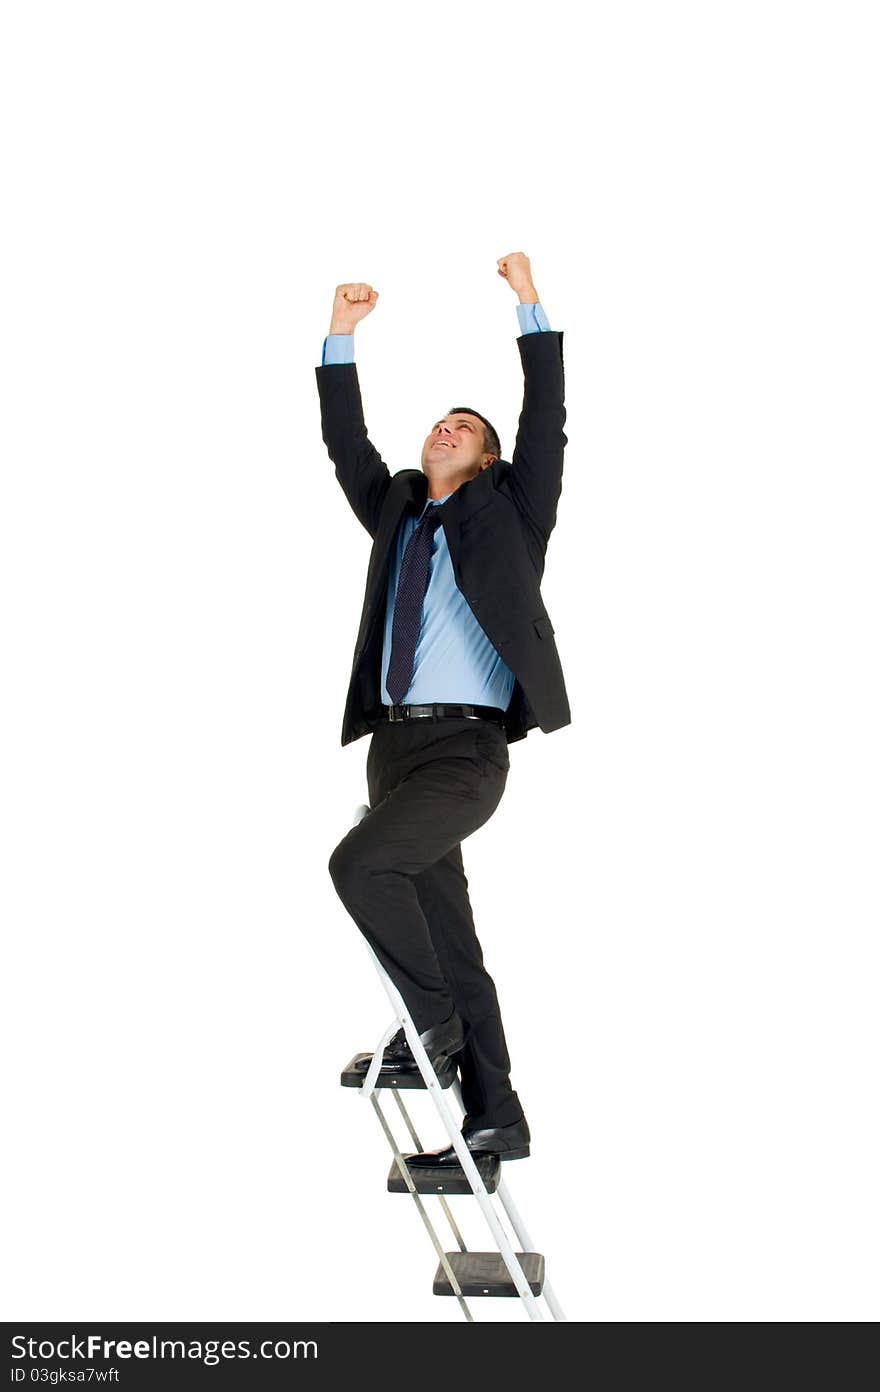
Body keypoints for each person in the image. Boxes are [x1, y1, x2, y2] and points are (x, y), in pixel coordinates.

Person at [320, 253, 570, 1165]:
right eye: (439, 421)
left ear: (489, 457)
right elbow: (346, 445)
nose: (447, 428)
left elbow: (547, 418)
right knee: (453, 940)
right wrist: (341, 334)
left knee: (359, 867)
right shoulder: (394, 508)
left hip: (467, 751)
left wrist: (530, 307)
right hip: (392, 748)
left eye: (465, 427)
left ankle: (432, 1030)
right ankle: (494, 1115)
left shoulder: (514, 511)